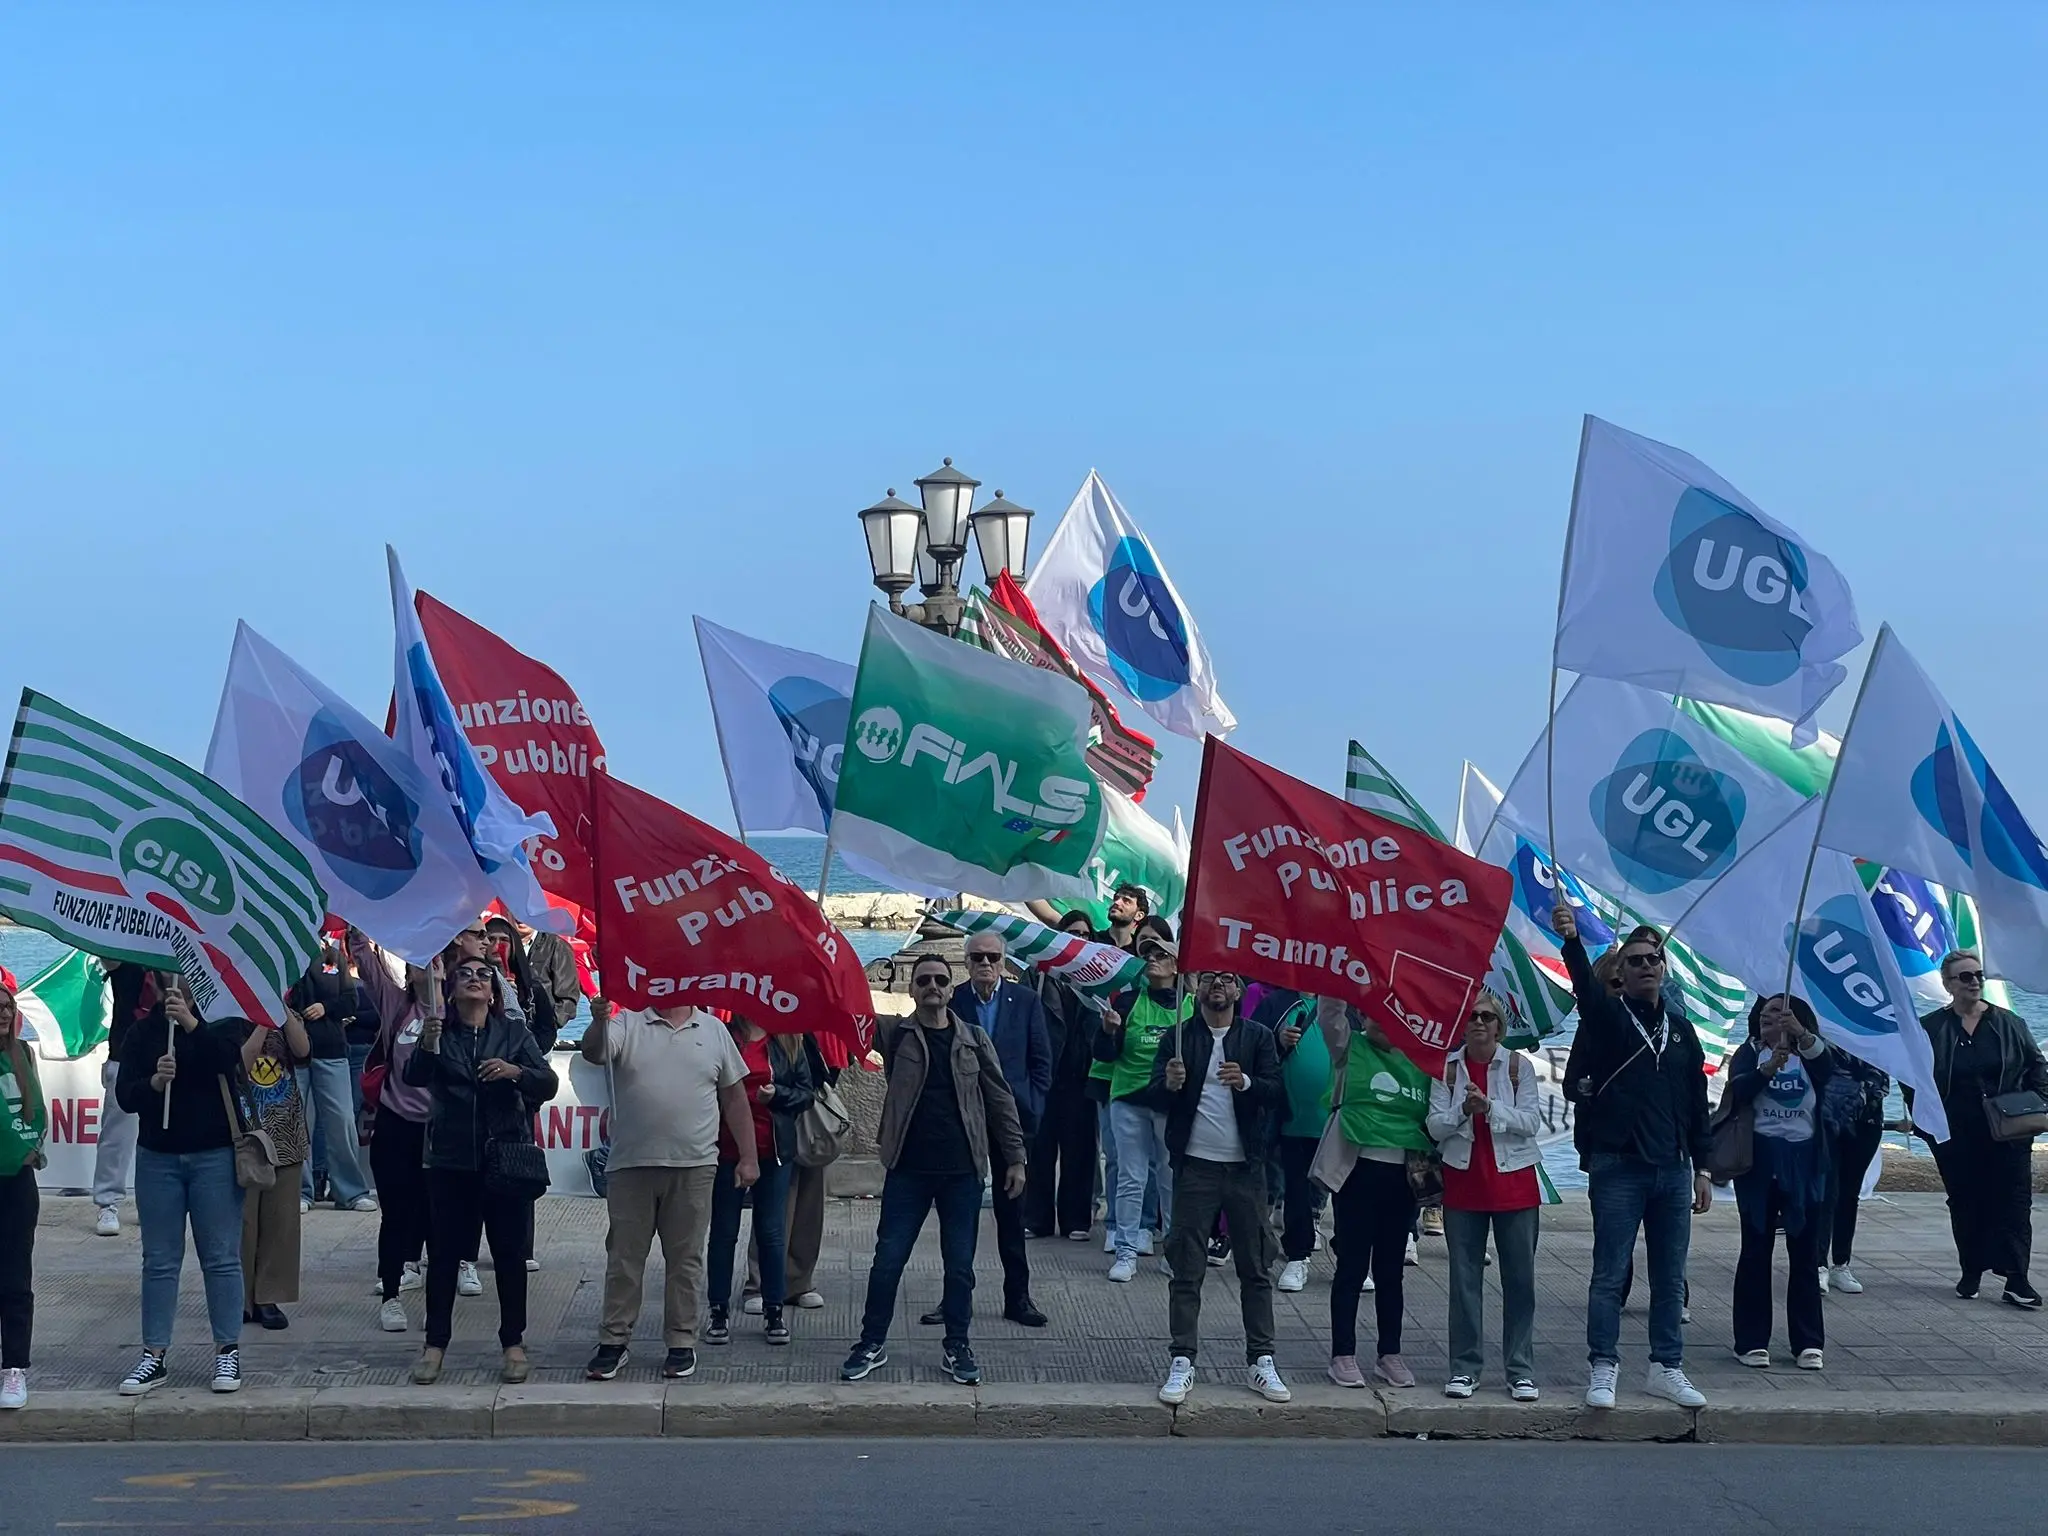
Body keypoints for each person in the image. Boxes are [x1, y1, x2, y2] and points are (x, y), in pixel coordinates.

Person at [841, 953, 1027, 1388]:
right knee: (887, 1261)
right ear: (912, 989)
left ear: (950, 987)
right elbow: (844, 1017)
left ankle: (957, 1344)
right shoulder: (894, 1033)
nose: (932, 987)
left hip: (962, 1172)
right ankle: (870, 1342)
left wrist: (1015, 1157)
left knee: (959, 1266)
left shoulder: (974, 1039)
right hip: (908, 1168)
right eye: (923, 980)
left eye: (940, 980)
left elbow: (1000, 1101)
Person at [1553, 905, 1713, 1410]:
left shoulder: (1683, 1032)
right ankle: (1604, 1366)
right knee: (1608, 1273)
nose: (1647, 966)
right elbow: (1584, 987)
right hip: (1619, 1165)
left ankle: (1666, 1367)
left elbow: (1695, 1103)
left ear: (1664, 971)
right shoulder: (1608, 1019)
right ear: (1620, 972)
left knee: (1669, 1275)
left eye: (1654, 960)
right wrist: (1573, 940)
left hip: (1672, 1169)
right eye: (1637, 960)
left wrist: (1703, 1168)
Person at [403, 948, 558, 1385]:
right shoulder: (439, 1032)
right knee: (446, 1257)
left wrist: (514, 1072)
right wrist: (428, 1045)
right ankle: (435, 1346)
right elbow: (414, 1077)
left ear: (492, 993)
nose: (474, 978)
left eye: (483, 974)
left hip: (503, 1160)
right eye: (465, 974)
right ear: (451, 990)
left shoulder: (512, 1033)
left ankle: (513, 1343)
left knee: (509, 1255)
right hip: (450, 1162)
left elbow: (547, 1082)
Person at [582, 997, 755, 1381]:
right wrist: (597, 1021)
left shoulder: (713, 1030)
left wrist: (748, 1157)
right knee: (624, 1258)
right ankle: (614, 1340)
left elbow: (734, 1096)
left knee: (686, 1260)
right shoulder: (627, 1021)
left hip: (694, 1166)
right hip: (631, 1165)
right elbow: (595, 1052)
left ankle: (681, 1342)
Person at [1149, 969, 1289, 1406]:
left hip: (1246, 1169)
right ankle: (1182, 1360)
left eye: (1227, 980)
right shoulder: (1178, 1037)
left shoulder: (1258, 1037)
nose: (1217, 986)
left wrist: (1245, 1082)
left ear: (1238, 991)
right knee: (1186, 1267)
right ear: (1196, 988)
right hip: (1195, 1168)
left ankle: (1261, 1361)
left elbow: (1276, 1093)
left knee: (1255, 1267)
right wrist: (1168, 1085)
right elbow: (1153, 1095)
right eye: (1209, 978)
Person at [113, 975, 250, 1396]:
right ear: (152, 984)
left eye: (187, 980)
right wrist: (154, 1084)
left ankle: (227, 1349)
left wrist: (190, 1022)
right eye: (165, 979)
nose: (175, 987)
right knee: (159, 1261)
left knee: (221, 1257)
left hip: (214, 1155)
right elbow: (125, 1095)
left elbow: (227, 1061)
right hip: (158, 1157)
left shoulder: (221, 1021)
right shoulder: (142, 1032)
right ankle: (154, 1355)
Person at [1427, 991, 1544, 1401]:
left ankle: (1520, 1369)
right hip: (1464, 1184)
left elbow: (1531, 1121)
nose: (1479, 1022)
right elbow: (1436, 1126)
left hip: (1515, 1185)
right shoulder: (1447, 1069)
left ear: (1499, 1026)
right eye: (1473, 1016)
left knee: (1520, 1282)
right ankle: (1465, 1367)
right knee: (1464, 1282)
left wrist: (1490, 1107)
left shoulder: (1517, 1066)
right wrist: (1464, 1110)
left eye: (1487, 1017)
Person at [1914, 950, 2047, 1308]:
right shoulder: (1932, 1028)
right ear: (1948, 984)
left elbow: (2037, 1067)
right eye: (1965, 977)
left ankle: (2017, 1279)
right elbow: (1914, 1079)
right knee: (1966, 1201)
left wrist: (2036, 1104)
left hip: (2008, 1130)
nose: (1975, 982)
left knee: (2014, 1202)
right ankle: (1971, 1268)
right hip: (1956, 1131)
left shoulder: (2008, 1023)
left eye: (1978, 975)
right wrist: (1924, 1122)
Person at [1313, 997, 1431, 1390]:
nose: (1383, 1022)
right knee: (1351, 1266)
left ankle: (1389, 1354)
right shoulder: (1350, 1048)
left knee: (1390, 1271)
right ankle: (1342, 1354)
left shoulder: (1420, 1057)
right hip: (1357, 1172)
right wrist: (1338, 980)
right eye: (1374, 1014)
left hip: (1403, 1178)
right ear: (1362, 1015)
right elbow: (1329, 1015)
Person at [1723, 994, 1836, 1370]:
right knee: (1756, 1250)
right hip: (1759, 1163)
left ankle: (1807, 1340)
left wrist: (1799, 1034)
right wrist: (1766, 1069)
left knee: (1805, 1252)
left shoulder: (1810, 1054)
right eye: (1766, 1014)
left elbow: (1827, 1069)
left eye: (1779, 1014)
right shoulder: (1749, 1054)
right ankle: (1751, 1339)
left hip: (1804, 1164)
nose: (1769, 1019)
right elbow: (1736, 1092)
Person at [943, 933, 1051, 1327]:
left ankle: (1018, 1299)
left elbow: (1041, 1061)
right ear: (967, 961)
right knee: (959, 1215)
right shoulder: (954, 999)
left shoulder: (1025, 1001)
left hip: (1014, 1120)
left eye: (992, 957)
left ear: (1004, 961)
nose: (985, 963)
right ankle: (954, 1298)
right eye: (977, 957)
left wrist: (1032, 1104)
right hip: (965, 1119)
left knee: (1012, 1215)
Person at [350, 929, 436, 1331]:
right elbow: (367, 965)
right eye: (421, 963)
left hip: (439, 1133)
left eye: (436, 962)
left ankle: (438, 1294)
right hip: (395, 1126)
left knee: (437, 1215)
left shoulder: (457, 1012)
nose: (429, 969)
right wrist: (359, 929)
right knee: (396, 1214)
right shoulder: (397, 1005)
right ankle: (391, 1294)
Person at [706, 1019, 811, 1347]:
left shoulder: (789, 1039)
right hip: (726, 1149)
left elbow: (806, 1093)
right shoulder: (723, 1036)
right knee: (723, 1232)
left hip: (774, 1150)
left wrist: (778, 1095)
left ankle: (774, 1310)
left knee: (772, 1232)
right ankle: (718, 1312)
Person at [1097, 933, 1191, 1283]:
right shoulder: (1127, 1001)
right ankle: (1125, 1251)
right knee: (1131, 1177)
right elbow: (1105, 1054)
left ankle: (1172, 1250)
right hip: (1130, 1099)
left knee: (1171, 1179)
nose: (1153, 959)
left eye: (1162, 955)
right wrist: (1108, 1032)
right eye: (1148, 954)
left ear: (1178, 966)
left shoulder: (1191, 1005)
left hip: (1171, 1105)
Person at [744, 1032, 841, 1316]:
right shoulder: (766, 1021)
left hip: (811, 1117)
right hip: (774, 1122)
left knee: (809, 1204)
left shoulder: (811, 1021)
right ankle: (760, 1283)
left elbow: (829, 1064)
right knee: (775, 1205)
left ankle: (799, 1282)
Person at [1026, 909, 1102, 1244]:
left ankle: (1076, 1219)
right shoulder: (1038, 973)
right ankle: (1036, 1218)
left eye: (1085, 934)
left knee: (1080, 1151)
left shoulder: (1101, 977)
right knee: (1039, 1150)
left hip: (1081, 1075)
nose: (1079, 938)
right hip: (1045, 1076)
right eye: (1073, 932)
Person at [288, 947, 377, 1214]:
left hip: (332, 1050)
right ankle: (301, 1191)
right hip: (293, 1052)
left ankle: (349, 1191)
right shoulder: (286, 951)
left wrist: (326, 1007)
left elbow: (350, 1001)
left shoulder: (332, 957)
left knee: (342, 1120)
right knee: (298, 1122)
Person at [239, 1009, 312, 1331]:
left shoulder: (287, 1014)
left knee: (280, 1221)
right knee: (243, 1222)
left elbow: (303, 1050)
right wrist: (260, 1022)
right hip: (243, 1133)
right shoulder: (224, 1014)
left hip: (285, 1130)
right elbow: (240, 1064)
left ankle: (268, 1296)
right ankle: (240, 1298)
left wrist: (280, 1012)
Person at [0, 981, 49, 1409]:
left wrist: (32, 1147)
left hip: (17, 1181)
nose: (2, 1013)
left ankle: (14, 1368)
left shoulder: (24, 1054)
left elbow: (35, 1111)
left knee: (16, 1279)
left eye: (7, 1007)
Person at [1271, 992, 1327, 1294]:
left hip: (1343, 1121)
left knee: (1349, 1196)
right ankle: (1297, 1256)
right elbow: (1256, 1046)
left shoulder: (1348, 1002)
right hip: (1295, 1120)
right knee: (1296, 1191)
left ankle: (1352, 1258)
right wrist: (1278, 1040)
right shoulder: (1281, 1002)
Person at [91, 962, 150, 1236]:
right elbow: (104, 946)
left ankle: (149, 1201)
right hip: (124, 1054)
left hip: (167, 1052)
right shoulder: (123, 949)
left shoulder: (175, 949)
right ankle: (107, 1203)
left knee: (161, 1133)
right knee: (117, 1134)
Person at [1824, 1050, 1889, 1294]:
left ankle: (1840, 1264)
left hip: (1867, 1118)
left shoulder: (1876, 1025)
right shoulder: (1826, 1021)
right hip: (1826, 1115)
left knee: (1849, 1194)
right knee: (1826, 1190)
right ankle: (1818, 1264)